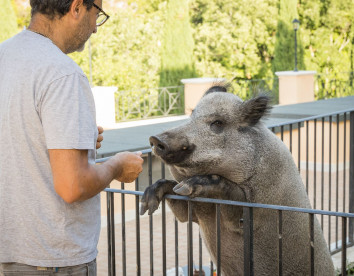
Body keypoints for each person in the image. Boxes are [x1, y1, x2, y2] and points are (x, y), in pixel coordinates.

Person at [0, 0, 144, 275]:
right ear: (77, 7)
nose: (95, 29)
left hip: (11, 253)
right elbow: (73, 186)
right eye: (96, 14)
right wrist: (115, 166)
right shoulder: (62, 73)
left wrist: (73, 138)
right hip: (55, 259)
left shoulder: (4, 56)